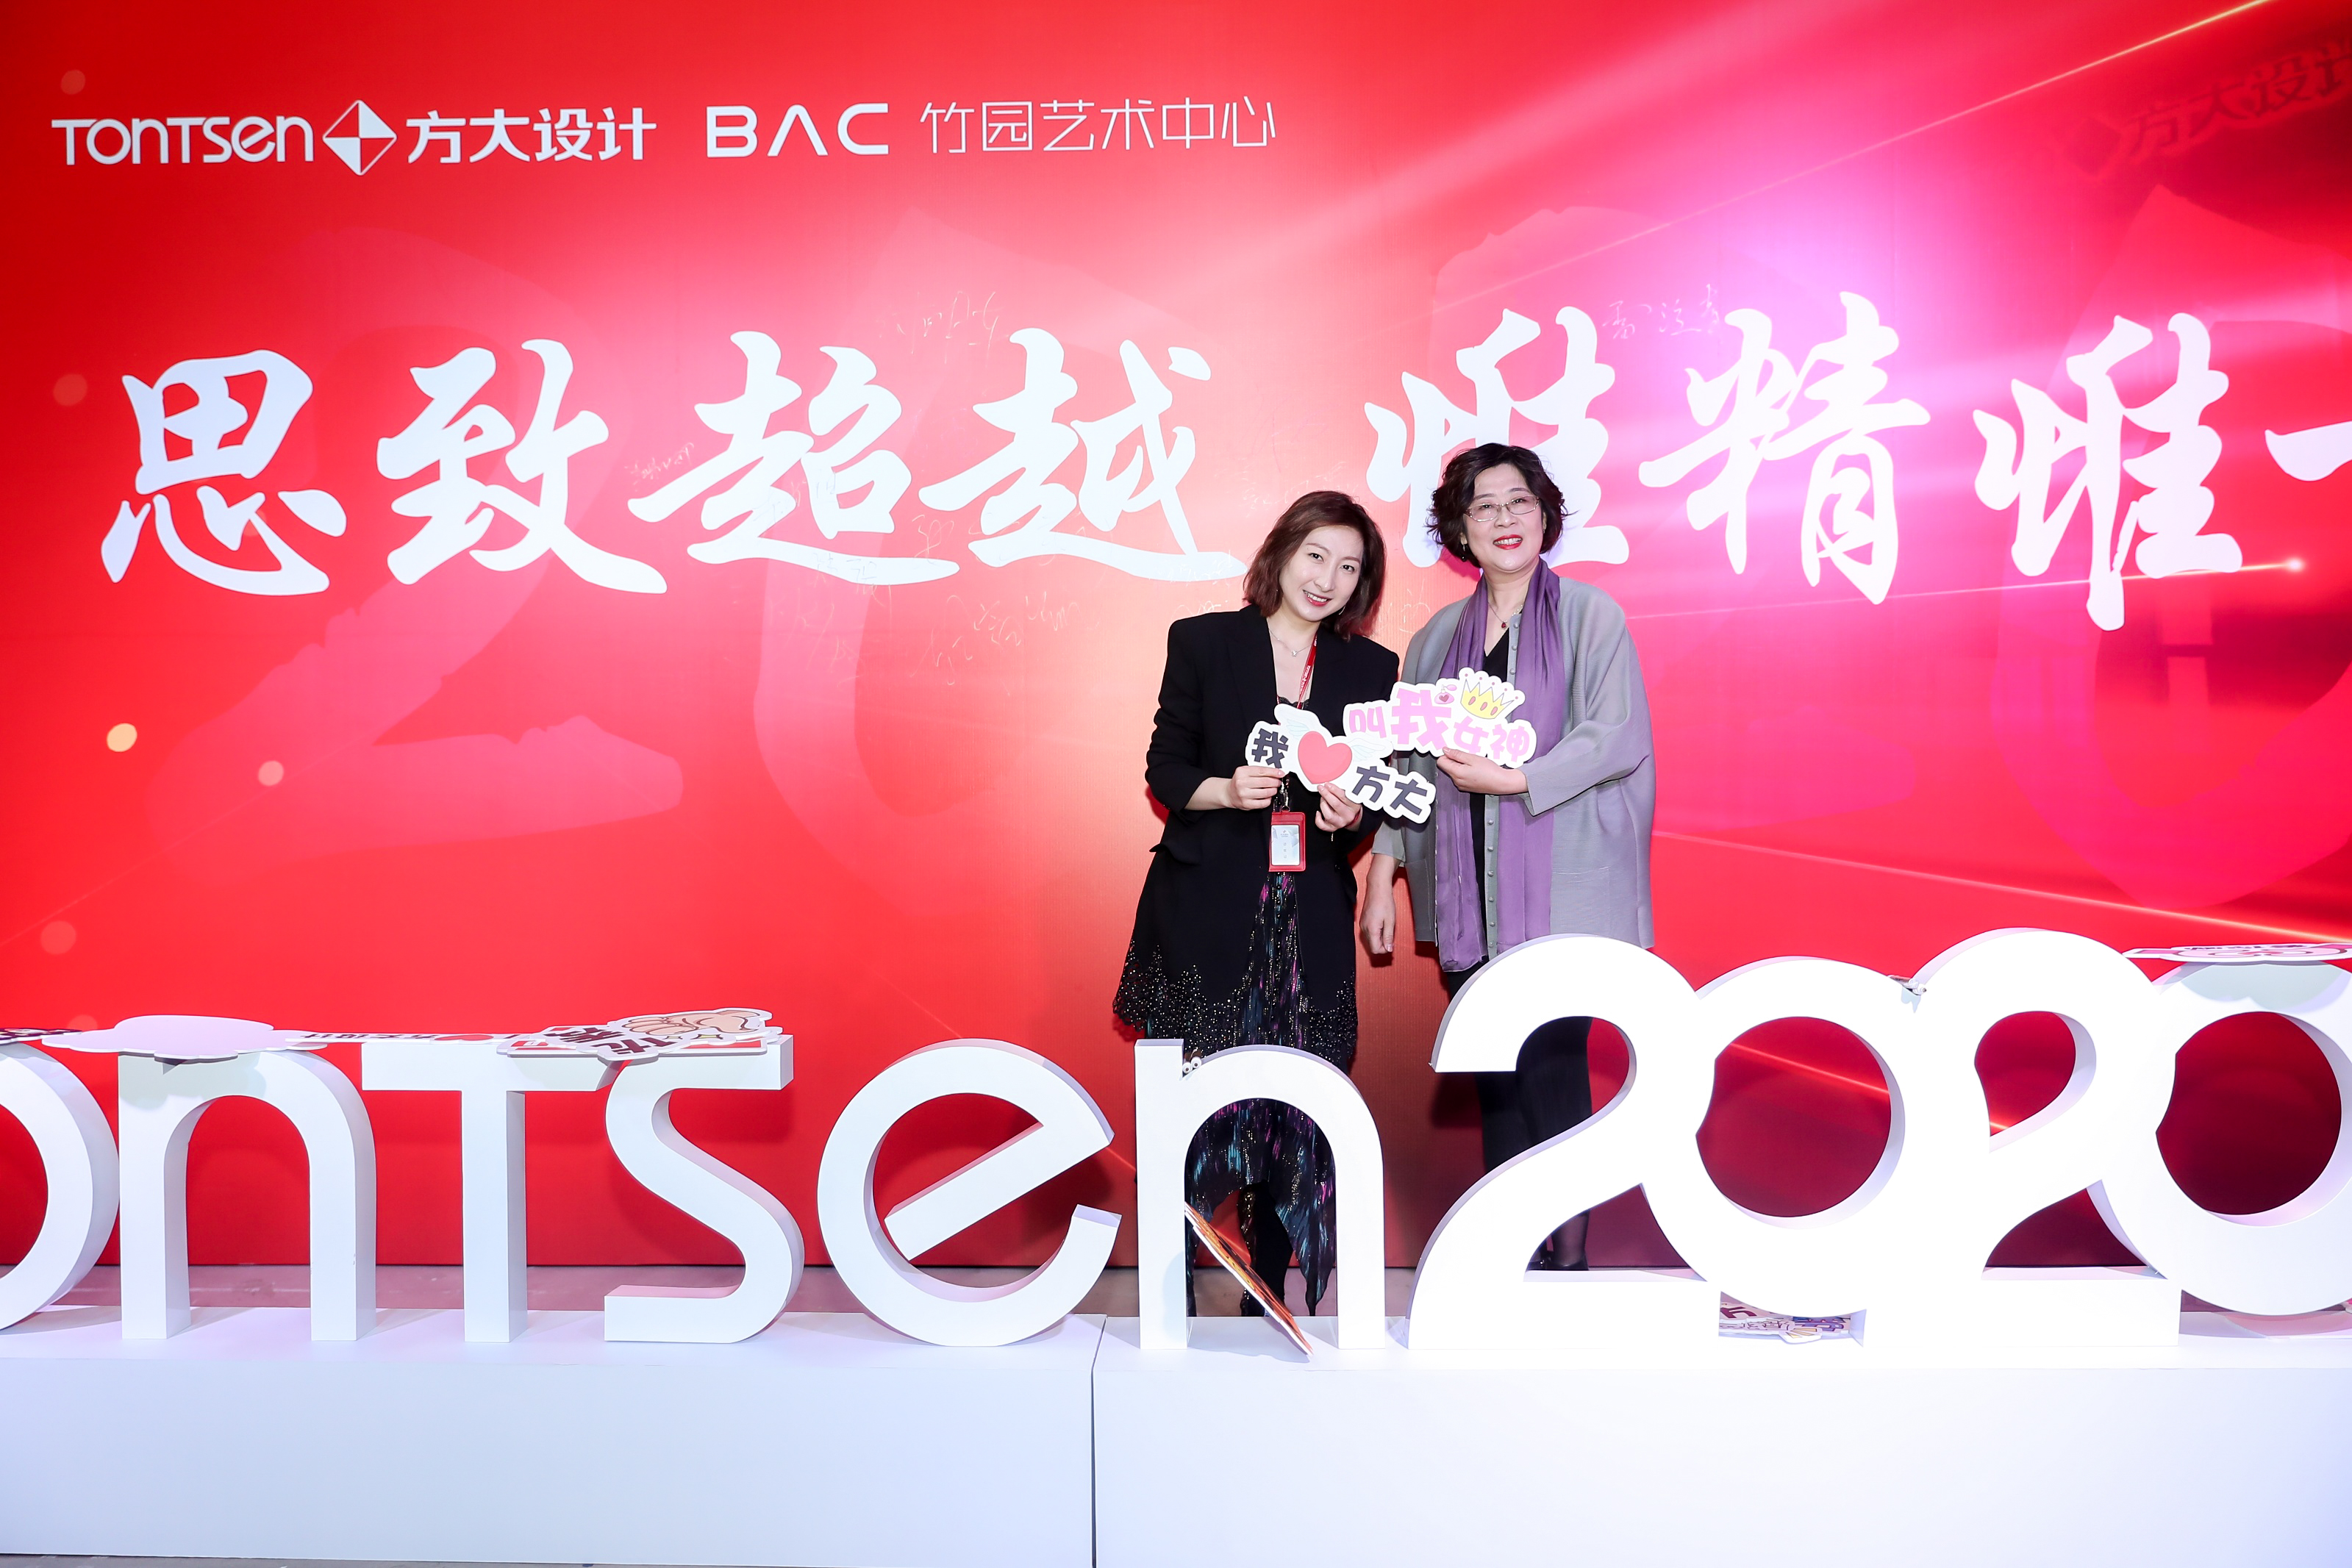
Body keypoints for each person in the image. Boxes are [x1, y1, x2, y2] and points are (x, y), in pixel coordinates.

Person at [1361, 443, 1654, 1270]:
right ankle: (1509, 1259)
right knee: (1494, 1073)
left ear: (1545, 513)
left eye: (1518, 501)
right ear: (1460, 529)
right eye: (1483, 506)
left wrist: (1515, 778)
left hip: (1564, 888)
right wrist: (1381, 871)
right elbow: (1408, 768)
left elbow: (1615, 736)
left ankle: (1569, 1259)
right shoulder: (1433, 642)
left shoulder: (1591, 616)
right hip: (1468, 893)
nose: (1503, 519)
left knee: (1555, 1069)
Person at [1115, 490, 1399, 1314]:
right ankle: (1171, 1290)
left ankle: (1268, 1291)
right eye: (1316, 556)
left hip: (1305, 921)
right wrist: (1224, 789)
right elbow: (1166, 768)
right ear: (1281, 553)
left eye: (1348, 567)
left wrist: (1351, 816)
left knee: (1291, 1107)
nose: (1327, 579)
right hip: (1206, 910)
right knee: (1193, 1102)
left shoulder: (1370, 670)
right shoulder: (1203, 641)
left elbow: (1368, 796)